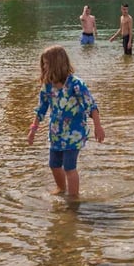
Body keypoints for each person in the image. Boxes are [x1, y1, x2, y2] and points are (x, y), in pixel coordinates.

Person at [27, 45, 105, 197]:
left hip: (74, 133)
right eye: (43, 64)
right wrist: (33, 129)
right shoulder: (47, 86)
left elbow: (91, 106)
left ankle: (73, 199)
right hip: (56, 133)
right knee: (54, 165)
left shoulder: (76, 85)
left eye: (47, 64)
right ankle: (62, 189)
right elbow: (41, 109)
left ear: (58, 64)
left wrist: (98, 126)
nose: (44, 67)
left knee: (69, 167)